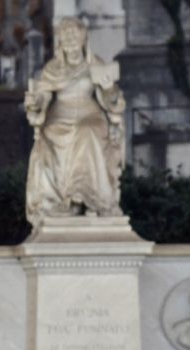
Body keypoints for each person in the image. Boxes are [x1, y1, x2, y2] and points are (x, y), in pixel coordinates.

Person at [24, 17, 125, 228]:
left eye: (74, 35)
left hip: (90, 113)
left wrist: (108, 89)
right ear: (60, 41)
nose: (70, 40)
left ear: (83, 38)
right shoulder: (52, 68)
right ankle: (62, 201)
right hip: (60, 114)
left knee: (86, 132)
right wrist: (36, 102)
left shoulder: (95, 64)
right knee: (51, 133)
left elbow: (112, 99)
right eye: (65, 36)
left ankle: (88, 199)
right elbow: (43, 94)